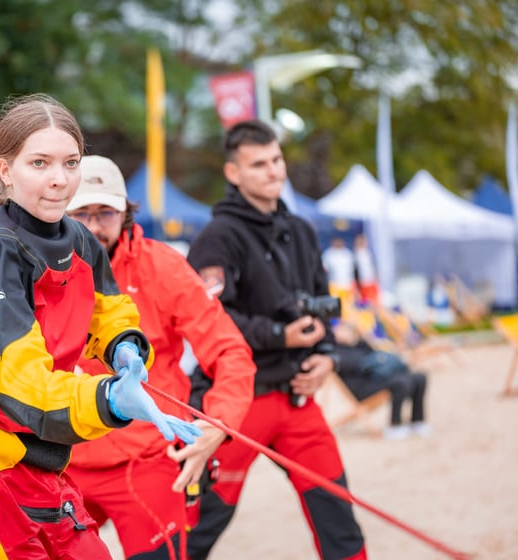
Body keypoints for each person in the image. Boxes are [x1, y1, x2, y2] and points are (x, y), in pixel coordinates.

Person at [0, 94, 200, 559]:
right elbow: (24, 387)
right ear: (5, 170)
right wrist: (109, 399)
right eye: (39, 163)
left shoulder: (78, 237)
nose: (60, 180)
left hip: (41, 465)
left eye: (70, 162)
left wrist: (123, 347)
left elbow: (108, 308)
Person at [185, 120, 367, 560]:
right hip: (234, 403)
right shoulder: (216, 238)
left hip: (297, 399)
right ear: (234, 173)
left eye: (277, 159)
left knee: (339, 519)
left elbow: (323, 304)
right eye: (259, 164)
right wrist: (277, 334)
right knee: (197, 528)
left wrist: (326, 357)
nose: (273, 171)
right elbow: (205, 319)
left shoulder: (302, 230)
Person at [64, 155, 256, 559]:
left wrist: (216, 424)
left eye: (106, 213)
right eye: (81, 213)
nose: (95, 227)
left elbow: (229, 350)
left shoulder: (161, 265)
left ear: (126, 214)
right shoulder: (34, 268)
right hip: (62, 458)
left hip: (146, 458)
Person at [333, 322, 430, 440]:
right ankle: (395, 424)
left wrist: (357, 341)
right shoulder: (336, 352)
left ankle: (417, 421)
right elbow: (358, 365)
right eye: (343, 330)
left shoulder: (359, 345)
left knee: (419, 377)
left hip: (375, 379)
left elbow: (374, 353)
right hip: (363, 388)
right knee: (401, 382)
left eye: (348, 329)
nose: (347, 332)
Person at [352, 233, 379, 306]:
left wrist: (376, 279)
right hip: (362, 284)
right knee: (366, 304)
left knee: (375, 303)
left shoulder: (369, 253)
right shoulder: (355, 255)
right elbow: (355, 272)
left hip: (371, 282)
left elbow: (373, 268)